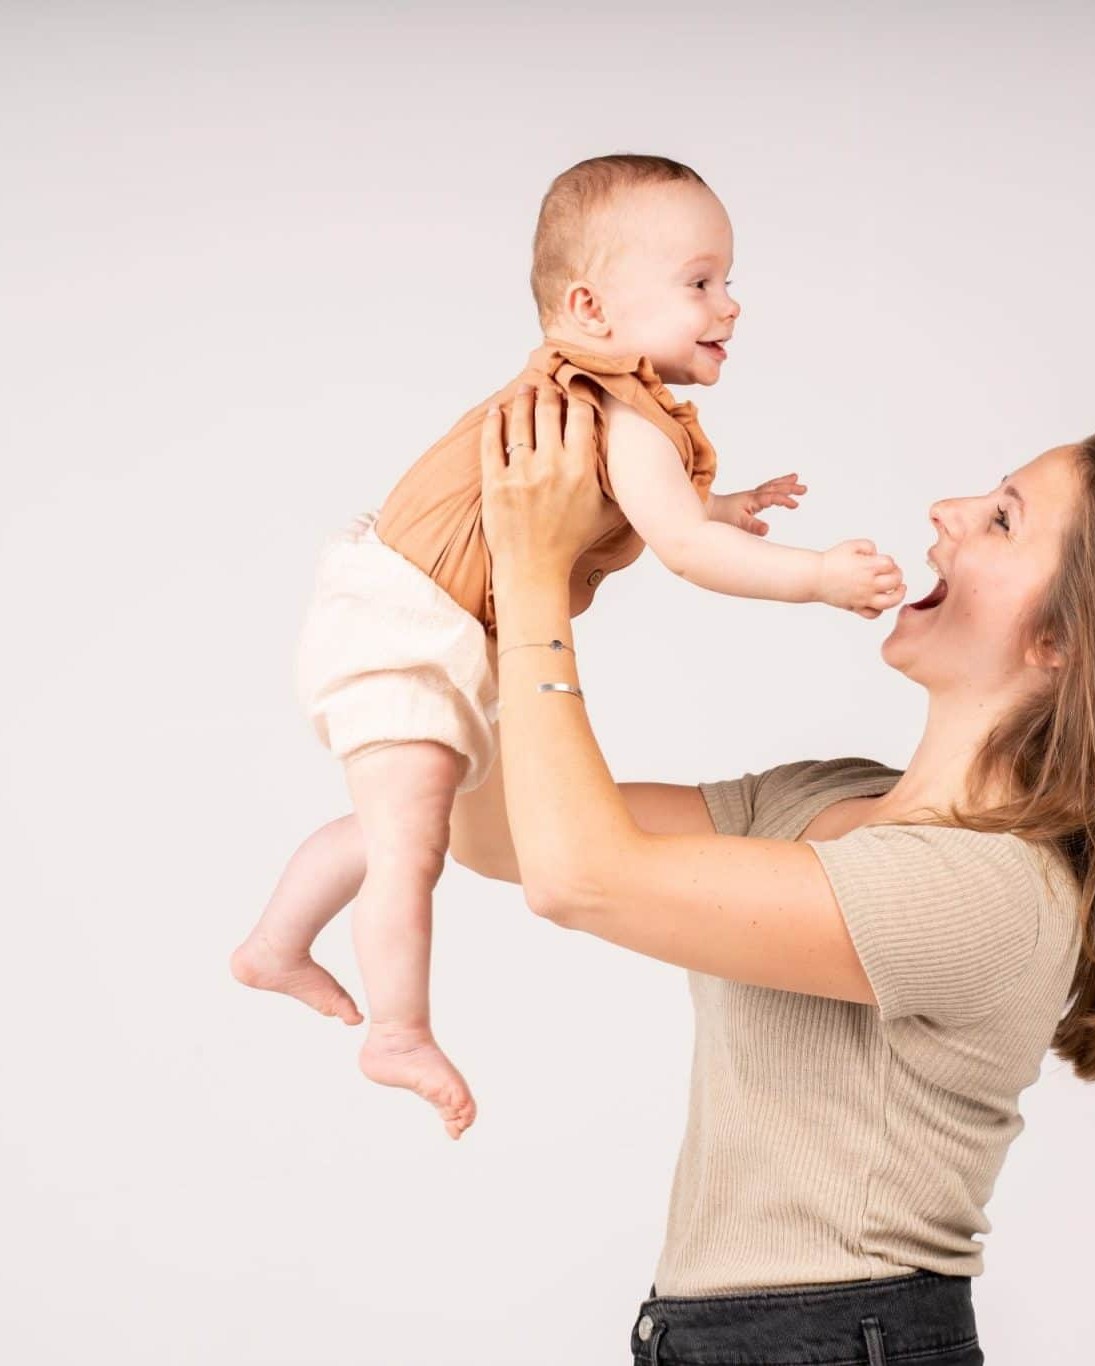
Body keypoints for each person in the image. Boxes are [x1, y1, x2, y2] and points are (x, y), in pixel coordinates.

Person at [455, 386, 1095, 1363]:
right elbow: (495, 834)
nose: (944, 512)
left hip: (830, 1340)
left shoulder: (988, 890)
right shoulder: (821, 801)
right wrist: (505, 598)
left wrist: (528, 579)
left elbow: (581, 878)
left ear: (1062, 639)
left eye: (999, 518)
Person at [230, 153, 905, 1138]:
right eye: (701, 282)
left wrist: (729, 503)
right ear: (590, 307)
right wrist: (816, 577)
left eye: (727, 282)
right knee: (412, 844)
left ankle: (273, 943)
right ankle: (398, 1028)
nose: (730, 305)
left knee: (412, 821)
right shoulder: (606, 402)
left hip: (433, 624)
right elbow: (680, 547)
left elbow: (663, 512)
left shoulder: (607, 402)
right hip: (406, 620)